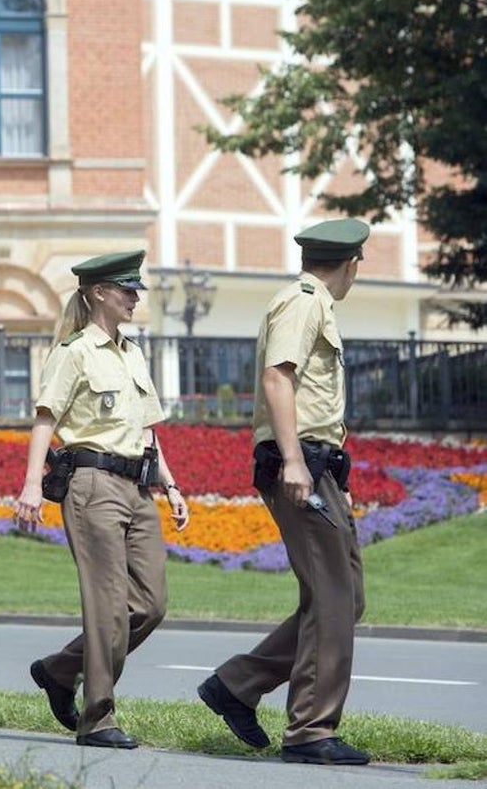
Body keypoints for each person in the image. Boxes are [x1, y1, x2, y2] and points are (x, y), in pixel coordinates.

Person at [198, 218, 371, 766]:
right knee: (332, 599)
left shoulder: (312, 301)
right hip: (300, 466)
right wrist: (295, 461)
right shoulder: (303, 301)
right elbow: (278, 377)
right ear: (350, 264)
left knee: (347, 599)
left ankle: (237, 685)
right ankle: (310, 731)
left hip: (319, 468)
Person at [12, 250, 189, 749]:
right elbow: (46, 419)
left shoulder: (132, 353)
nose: (135, 297)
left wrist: (170, 485)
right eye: (126, 289)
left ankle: (59, 669)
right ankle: (98, 717)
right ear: (98, 294)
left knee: (150, 605)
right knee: (107, 607)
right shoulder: (74, 352)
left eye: (136, 290)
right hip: (92, 486)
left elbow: (148, 430)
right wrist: (30, 486)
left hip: (137, 487)